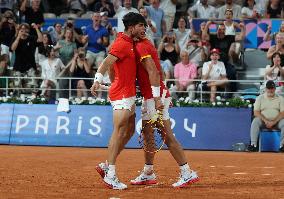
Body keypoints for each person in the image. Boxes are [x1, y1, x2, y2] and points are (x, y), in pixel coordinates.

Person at [130, 36, 199, 188]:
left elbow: (154, 72)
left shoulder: (141, 46)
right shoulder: (144, 45)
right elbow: (159, 71)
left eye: (143, 26)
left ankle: (187, 172)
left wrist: (158, 98)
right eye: (140, 26)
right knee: (148, 134)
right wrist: (164, 93)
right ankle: (148, 173)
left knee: (166, 135)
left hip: (154, 97)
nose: (143, 30)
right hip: (153, 96)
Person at [91, 12, 147, 190]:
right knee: (119, 131)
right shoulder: (122, 43)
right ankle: (111, 174)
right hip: (121, 95)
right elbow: (106, 62)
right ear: (131, 27)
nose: (143, 28)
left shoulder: (131, 42)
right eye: (140, 25)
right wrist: (97, 79)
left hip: (129, 94)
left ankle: (107, 165)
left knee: (129, 131)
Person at [247, 80, 284, 152]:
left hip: (277, 121)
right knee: (255, 121)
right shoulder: (260, 98)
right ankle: (253, 145)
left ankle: (282, 145)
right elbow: (256, 112)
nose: (270, 90)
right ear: (266, 89)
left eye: (272, 88)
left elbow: (282, 113)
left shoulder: (280, 98)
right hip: (263, 121)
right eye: (269, 88)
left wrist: (273, 121)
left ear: (275, 89)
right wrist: (266, 120)